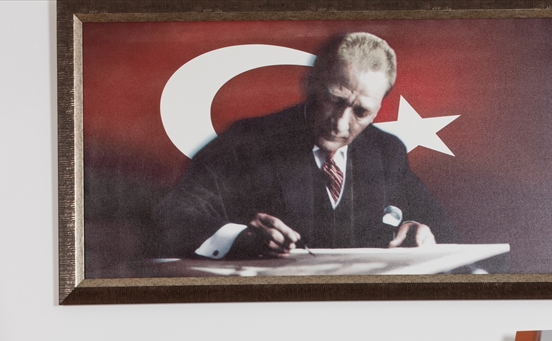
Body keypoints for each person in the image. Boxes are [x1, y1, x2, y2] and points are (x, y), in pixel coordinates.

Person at [154, 32, 455, 259]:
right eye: (334, 100)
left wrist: (418, 230)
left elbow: (440, 228)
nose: (340, 124)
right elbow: (171, 216)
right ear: (310, 85)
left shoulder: (387, 152)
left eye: (361, 112)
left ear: (378, 110)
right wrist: (240, 237)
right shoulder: (245, 142)